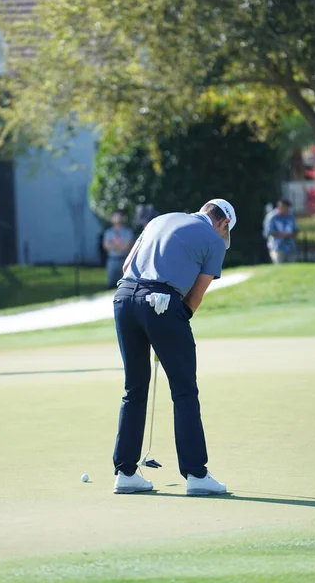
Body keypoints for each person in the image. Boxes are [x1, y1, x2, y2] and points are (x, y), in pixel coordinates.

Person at [112, 199, 237, 496]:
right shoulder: (214, 242)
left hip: (123, 299)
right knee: (183, 390)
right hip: (161, 304)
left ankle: (126, 472)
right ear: (223, 224)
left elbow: (128, 264)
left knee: (135, 387)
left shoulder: (160, 219)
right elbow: (195, 297)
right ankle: (196, 474)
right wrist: (169, 327)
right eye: (224, 231)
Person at [103, 210, 134, 289]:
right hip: (112, 260)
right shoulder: (108, 232)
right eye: (115, 216)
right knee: (111, 284)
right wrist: (120, 246)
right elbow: (106, 246)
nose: (117, 218)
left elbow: (127, 246)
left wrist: (113, 245)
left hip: (124, 260)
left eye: (119, 216)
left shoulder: (128, 232)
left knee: (125, 284)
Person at [265, 199, 299, 264]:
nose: (287, 210)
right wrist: (283, 235)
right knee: (279, 265)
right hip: (277, 247)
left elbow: (296, 230)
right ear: (279, 207)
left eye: (288, 208)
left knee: (292, 268)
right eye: (285, 208)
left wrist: (290, 235)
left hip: (290, 247)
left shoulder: (290, 217)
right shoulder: (272, 217)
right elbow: (268, 233)